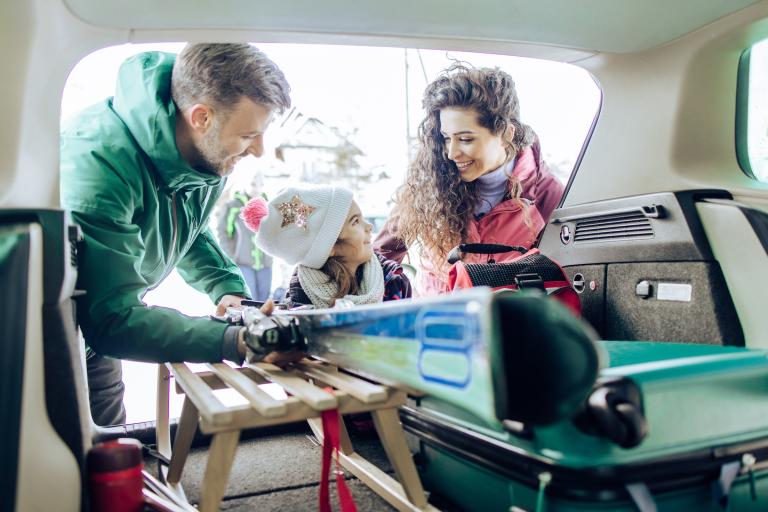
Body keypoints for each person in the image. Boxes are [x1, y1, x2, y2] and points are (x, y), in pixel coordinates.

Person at [60, 43, 291, 426]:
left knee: (113, 442)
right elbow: (111, 320)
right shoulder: (98, 167)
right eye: (250, 135)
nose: (259, 150)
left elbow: (187, 227)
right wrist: (232, 341)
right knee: (70, 461)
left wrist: (225, 287)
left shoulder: (208, 154)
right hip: (59, 330)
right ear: (201, 117)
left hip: (103, 333)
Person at [374, 63, 564, 295]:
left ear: (506, 135)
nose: (452, 153)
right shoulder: (429, 186)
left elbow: (573, 279)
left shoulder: (549, 197)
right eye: (446, 138)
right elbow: (376, 263)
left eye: (465, 139)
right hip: (436, 326)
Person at [241, 185, 411, 309]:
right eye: (355, 222)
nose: (369, 226)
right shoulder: (301, 297)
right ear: (329, 247)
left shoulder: (394, 281)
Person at [216, 172, 274, 302]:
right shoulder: (233, 206)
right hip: (243, 262)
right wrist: (232, 255)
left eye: (261, 185)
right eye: (253, 184)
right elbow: (223, 232)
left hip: (266, 263)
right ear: (245, 183)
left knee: (264, 301)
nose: (257, 188)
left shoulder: (269, 205)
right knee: (249, 300)